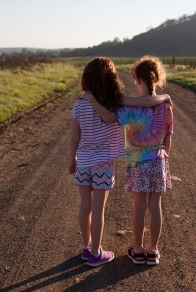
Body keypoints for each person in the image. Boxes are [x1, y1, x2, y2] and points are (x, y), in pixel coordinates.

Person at [69, 57, 171, 267]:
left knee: (90, 205)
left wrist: (73, 157)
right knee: (106, 208)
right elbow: (153, 113)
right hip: (125, 162)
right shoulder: (120, 104)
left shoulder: (88, 106)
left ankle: (93, 248)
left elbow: (76, 135)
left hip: (102, 162)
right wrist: (165, 96)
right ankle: (141, 251)